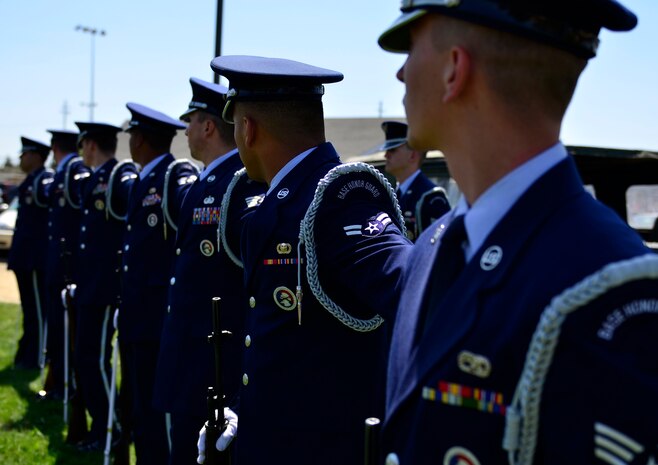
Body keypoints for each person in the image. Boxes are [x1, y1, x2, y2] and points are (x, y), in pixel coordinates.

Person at [377, 1, 658, 465]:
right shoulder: (436, 244)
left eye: (410, 47)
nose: (401, 74)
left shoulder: (609, 294)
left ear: (454, 70)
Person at [198, 55, 411, 465]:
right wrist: (244, 411)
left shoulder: (340, 195)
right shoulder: (281, 198)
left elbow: (406, 280)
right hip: (273, 439)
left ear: (247, 129)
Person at [153, 77, 265, 465]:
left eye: (190, 121)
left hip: (214, 362)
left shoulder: (241, 183)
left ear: (208, 126)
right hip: (189, 353)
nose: (183, 130)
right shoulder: (206, 181)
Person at [118, 102, 186, 465]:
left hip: (156, 318)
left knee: (154, 412)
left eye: (132, 135)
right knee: (138, 406)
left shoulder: (173, 178)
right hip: (135, 314)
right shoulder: (145, 178)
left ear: (140, 139)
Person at [71, 121, 124, 451]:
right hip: (90, 285)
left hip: (105, 287)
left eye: (84, 145)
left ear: (91, 145)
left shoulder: (119, 179)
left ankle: (112, 428)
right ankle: (100, 425)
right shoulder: (96, 179)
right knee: (85, 359)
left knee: (94, 359)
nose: (82, 151)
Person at [42, 129, 91, 401]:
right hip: (58, 264)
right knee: (57, 329)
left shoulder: (74, 169)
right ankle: (58, 382)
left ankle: (65, 385)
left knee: (65, 332)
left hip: (67, 267)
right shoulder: (66, 171)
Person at [8, 137, 53, 370]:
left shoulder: (44, 180)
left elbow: (48, 197)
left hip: (35, 257)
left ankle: (36, 356)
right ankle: (27, 352)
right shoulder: (31, 180)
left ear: (36, 156)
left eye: (25, 154)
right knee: (29, 308)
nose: (21, 158)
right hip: (24, 257)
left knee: (37, 310)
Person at [378, 121, 450, 240]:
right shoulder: (393, 195)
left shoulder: (431, 198)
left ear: (412, 155)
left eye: (392, 150)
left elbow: (437, 249)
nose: (386, 156)